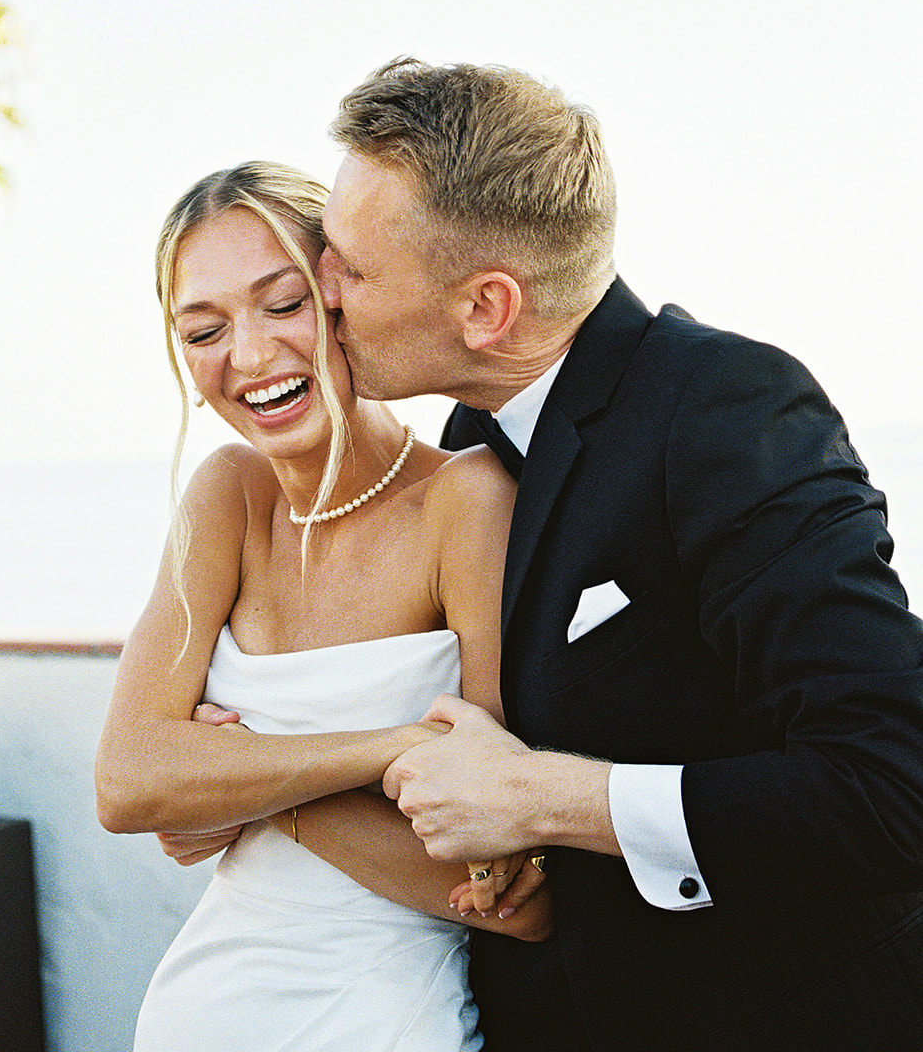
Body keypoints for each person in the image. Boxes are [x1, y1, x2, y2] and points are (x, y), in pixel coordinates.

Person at [314, 56, 923, 1052]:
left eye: (350, 265)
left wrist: (540, 796)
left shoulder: (724, 408)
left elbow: (892, 785)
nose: (319, 289)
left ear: (486, 307)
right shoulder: (468, 446)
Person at [94, 161, 551, 1052]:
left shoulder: (465, 500)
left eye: (284, 302)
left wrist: (246, 786)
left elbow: (504, 892)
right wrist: (388, 753)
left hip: (380, 1021)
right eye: (204, 328)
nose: (252, 356)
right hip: (198, 1011)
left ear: (342, 298)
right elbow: (124, 780)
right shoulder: (227, 494)